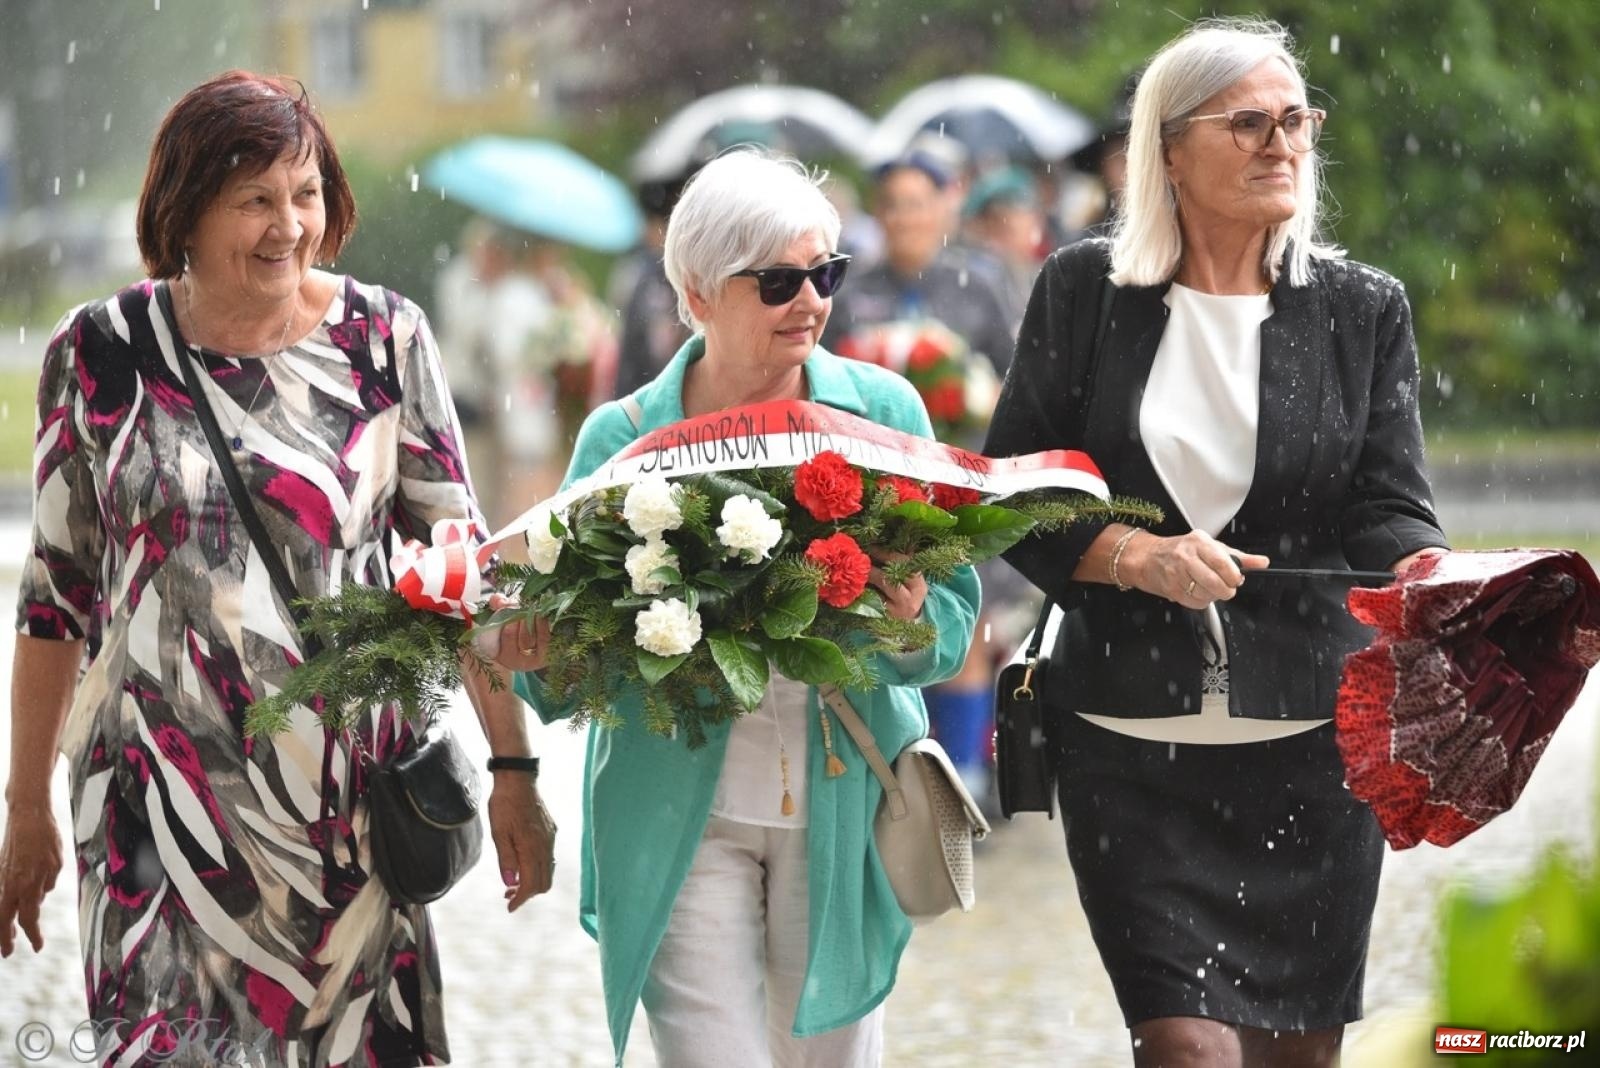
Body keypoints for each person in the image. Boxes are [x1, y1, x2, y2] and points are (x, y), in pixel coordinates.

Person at [0, 71, 557, 1067]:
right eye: (252, 199)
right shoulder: (101, 352)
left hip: (340, 810)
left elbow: (455, 569)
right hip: (151, 811)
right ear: (185, 207)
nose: (286, 226)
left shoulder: (384, 339)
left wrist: (514, 771)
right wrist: (24, 807)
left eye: (302, 194)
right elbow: (56, 597)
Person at [984, 19, 1449, 1068]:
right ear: (1167, 150)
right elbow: (1014, 493)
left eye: (1294, 120)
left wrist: (1430, 571)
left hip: (1315, 751)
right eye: (1246, 123)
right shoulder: (1084, 293)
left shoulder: (1360, 309)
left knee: (1300, 1058)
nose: (1280, 142)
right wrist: (1130, 556)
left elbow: (1389, 504)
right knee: (1186, 1050)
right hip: (1123, 743)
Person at [496, 149, 980, 1068]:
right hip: (679, 809)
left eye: (824, 274)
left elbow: (950, 618)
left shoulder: (882, 409)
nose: (810, 301)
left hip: (847, 797)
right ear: (697, 290)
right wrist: (538, 656)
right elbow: (568, 651)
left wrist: (907, 620)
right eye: (778, 281)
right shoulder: (625, 435)